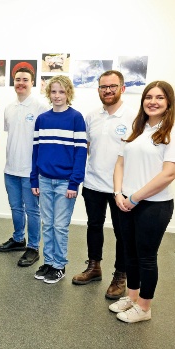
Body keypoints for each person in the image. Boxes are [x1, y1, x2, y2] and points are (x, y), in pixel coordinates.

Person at [110, 81, 175, 323]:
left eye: (159, 97)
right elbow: (120, 163)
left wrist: (135, 198)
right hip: (125, 202)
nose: (153, 101)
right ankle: (132, 297)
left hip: (153, 205)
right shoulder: (135, 128)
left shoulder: (171, 132)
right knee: (130, 253)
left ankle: (145, 308)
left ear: (168, 102)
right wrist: (118, 193)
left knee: (147, 257)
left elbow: (168, 174)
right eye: (149, 96)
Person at [71, 70, 135, 299]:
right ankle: (94, 267)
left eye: (112, 86)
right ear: (98, 89)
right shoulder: (91, 116)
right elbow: (85, 148)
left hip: (122, 188)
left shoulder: (134, 116)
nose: (108, 90)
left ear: (122, 88)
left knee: (122, 233)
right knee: (94, 226)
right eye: (103, 87)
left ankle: (120, 275)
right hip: (93, 183)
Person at [30, 75, 87, 284]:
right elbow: (35, 151)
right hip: (44, 180)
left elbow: (81, 153)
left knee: (60, 225)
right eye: (53, 91)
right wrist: (34, 179)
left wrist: (74, 182)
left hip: (65, 183)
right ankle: (49, 261)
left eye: (61, 92)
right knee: (47, 224)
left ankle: (59, 264)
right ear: (48, 94)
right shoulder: (42, 119)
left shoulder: (76, 118)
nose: (57, 96)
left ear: (68, 93)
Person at [0, 67, 49, 267]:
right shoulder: (9, 108)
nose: (20, 82)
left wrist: (38, 170)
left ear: (32, 82)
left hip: (30, 170)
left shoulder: (40, 107)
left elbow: (44, 141)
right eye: (17, 79)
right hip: (10, 168)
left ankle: (34, 247)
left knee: (33, 211)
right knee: (16, 207)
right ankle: (19, 239)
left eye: (25, 79)